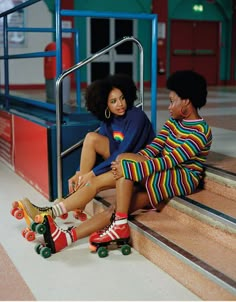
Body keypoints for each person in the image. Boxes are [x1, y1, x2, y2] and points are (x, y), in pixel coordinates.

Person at [34, 69, 212, 255]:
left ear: (186, 101)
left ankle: (113, 225)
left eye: (172, 101)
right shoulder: (173, 123)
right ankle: (61, 230)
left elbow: (170, 161)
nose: (169, 107)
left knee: (121, 186)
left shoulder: (201, 131)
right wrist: (133, 161)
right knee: (118, 168)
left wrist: (135, 168)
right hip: (158, 172)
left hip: (181, 178)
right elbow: (153, 149)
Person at [13, 73, 155, 233]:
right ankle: (68, 203)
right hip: (121, 163)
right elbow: (109, 153)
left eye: (122, 98)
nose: (120, 104)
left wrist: (92, 174)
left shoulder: (137, 117)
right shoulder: (109, 119)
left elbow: (123, 151)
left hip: (141, 168)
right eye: (113, 101)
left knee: (93, 181)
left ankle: (53, 211)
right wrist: (80, 173)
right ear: (105, 105)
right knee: (91, 138)